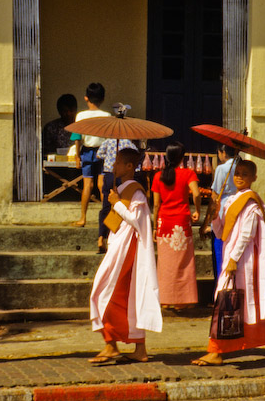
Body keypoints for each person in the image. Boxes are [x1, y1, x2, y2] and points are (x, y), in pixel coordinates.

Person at [192, 160, 265, 367]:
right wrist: (214, 215)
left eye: (245, 174)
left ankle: (216, 351)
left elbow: (247, 235)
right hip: (231, 255)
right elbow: (222, 232)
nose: (240, 177)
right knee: (245, 307)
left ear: (254, 178)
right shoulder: (231, 199)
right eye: (237, 173)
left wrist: (233, 259)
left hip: (242, 260)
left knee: (226, 301)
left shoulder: (251, 202)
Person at [88, 148, 162, 363]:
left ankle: (114, 345)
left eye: (119, 163)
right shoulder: (120, 189)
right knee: (125, 297)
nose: (114, 166)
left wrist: (117, 204)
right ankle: (128, 347)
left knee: (102, 292)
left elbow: (137, 222)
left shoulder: (136, 192)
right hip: (117, 245)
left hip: (127, 249)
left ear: (130, 166)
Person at [152, 142, 202, 308]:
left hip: (164, 222)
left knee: (165, 263)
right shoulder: (188, 174)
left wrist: (154, 227)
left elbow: (156, 205)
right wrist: (197, 210)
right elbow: (196, 193)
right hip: (181, 222)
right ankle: (182, 300)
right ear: (182, 157)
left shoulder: (158, 176)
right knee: (183, 262)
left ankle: (165, 299)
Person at [71, 83, 111, 227]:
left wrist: (77, 156)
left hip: (87, 152)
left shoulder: (81, 115)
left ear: (86, 98)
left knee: (87, 185)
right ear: (103, 99)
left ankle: (83, 218)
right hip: (103, 152)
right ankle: (107, 219)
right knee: (102, 185)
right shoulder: (106, 116)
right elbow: (109, 138)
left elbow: (77, 138)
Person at [200, 144, 238, 287]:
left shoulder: (222, 169)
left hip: (221, 211)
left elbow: (214, 196)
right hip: (236, 209)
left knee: (220, 252)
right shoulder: (239, 167)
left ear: (223, 153)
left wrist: (205, 223)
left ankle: (220, 288)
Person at [96, 137, 139, 253]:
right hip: (120, 176)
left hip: (109, 174)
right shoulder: (129, 143)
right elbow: (137, 158)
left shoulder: (107, 141)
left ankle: (101, 238)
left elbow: (98, 155)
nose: (116, 163)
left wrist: (109, 159)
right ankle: (111, 235)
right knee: (120, 204)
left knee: (106, 206)